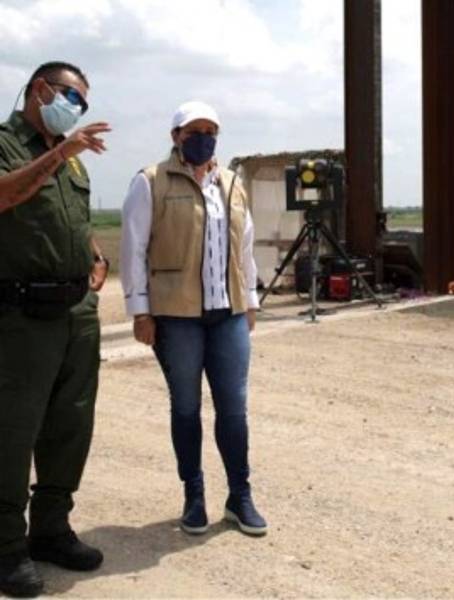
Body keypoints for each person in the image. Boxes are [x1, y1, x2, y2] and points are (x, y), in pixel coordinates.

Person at [120, 101, 266, 537]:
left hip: (229, 314)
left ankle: (240, 497)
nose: (203, 137)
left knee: (234, 410)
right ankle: (194, 496)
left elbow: (244, 249)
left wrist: (251, 301)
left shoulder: (232, 183)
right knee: (185, 407)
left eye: (210, 129)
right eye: (194, 130)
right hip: (176, 315)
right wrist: (140, 311)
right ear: (176, 137)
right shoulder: (151, 182)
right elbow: (133, 250)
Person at [0, 61, 111, 597]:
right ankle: (4, 548)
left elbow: (74, 220)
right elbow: (3, 196)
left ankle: (50, 530)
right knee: (12, 434)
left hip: (76, 315)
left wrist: (95, 257)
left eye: (84, 104)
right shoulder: (9, 145)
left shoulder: (72, 165)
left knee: (70, 428)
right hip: (20, 319)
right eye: (72, 96)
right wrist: (59, 153)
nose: (77, 110)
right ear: (39, 89)